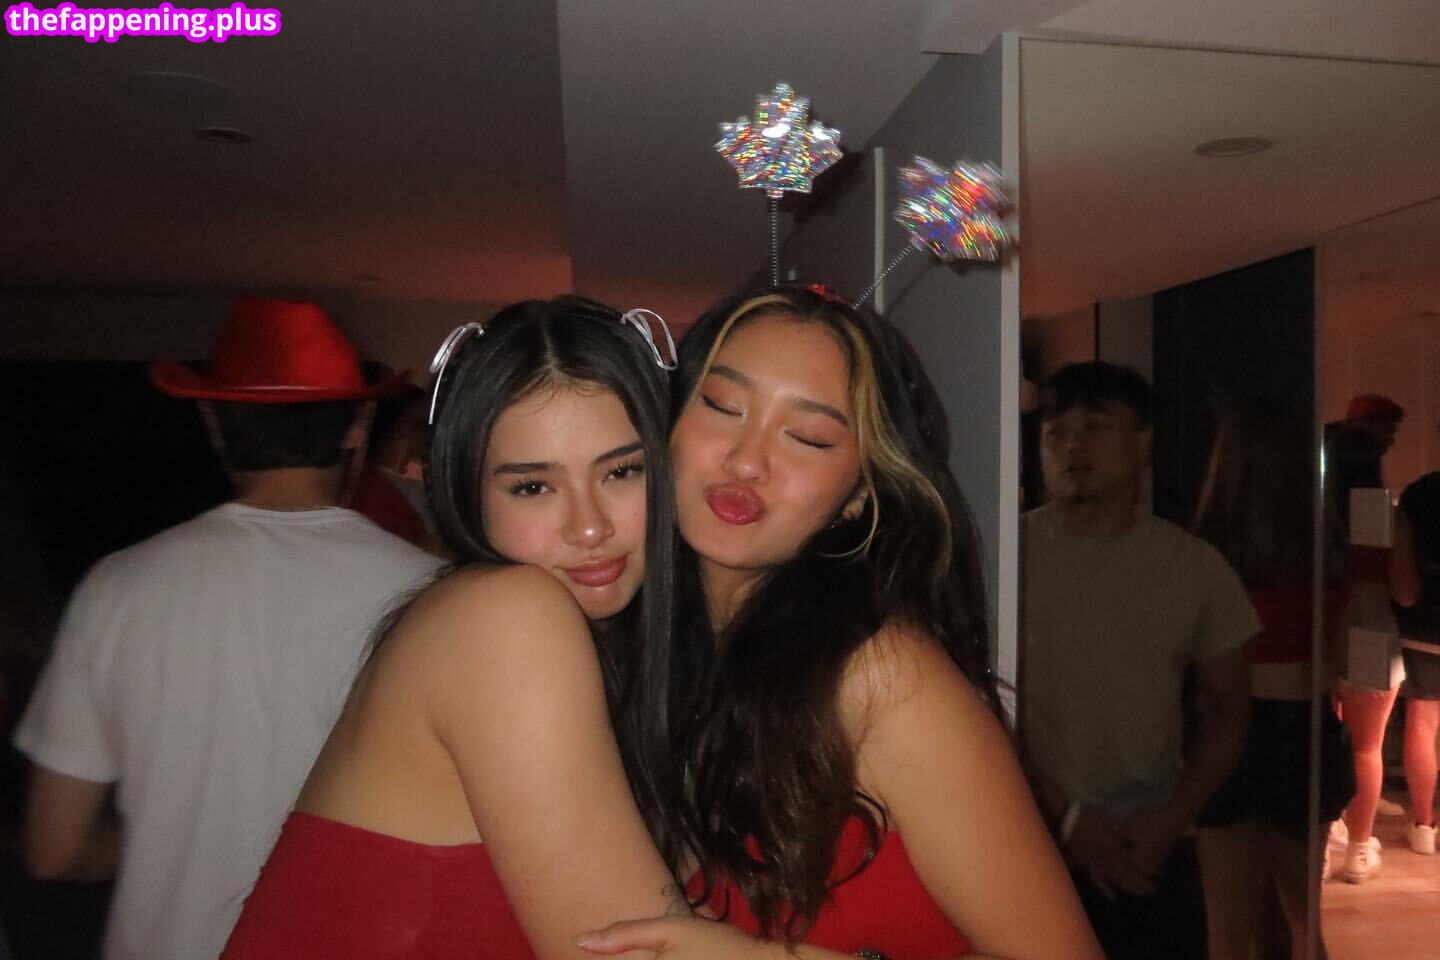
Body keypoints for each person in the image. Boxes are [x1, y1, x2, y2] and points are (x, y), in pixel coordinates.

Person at [580, 287, 1102, 960]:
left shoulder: (880, 675)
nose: (746, 460)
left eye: (809, 437)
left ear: (859, 494)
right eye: (722, 406)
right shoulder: (648, 661)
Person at [221, 296, 688, 959]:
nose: (589, 527)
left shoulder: (594, 652)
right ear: (468, 495)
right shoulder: (503, 620)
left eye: (622, 471)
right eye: (533, 487)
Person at [12, 296, 442, 960]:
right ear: (356, 424)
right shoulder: (431, 594)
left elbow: (53, 850)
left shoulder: (118, 588)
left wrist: (170, 844)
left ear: (213, 420)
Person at [1019, 361, 1256, 960]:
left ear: (1143, 442)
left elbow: (1229, 711)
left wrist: (1173, 817)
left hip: (1150, 842)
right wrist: (1064, 817)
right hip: (1023, 837)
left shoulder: (1191, 567)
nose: (1072, 445)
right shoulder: (1003, 558)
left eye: (1095, 426)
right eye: (1055, 432)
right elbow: (974, 706)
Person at [1190, 397, 1353, 960]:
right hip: (1302, 719)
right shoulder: (1326, 548)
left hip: (1222, 721)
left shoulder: (1206, 550)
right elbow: (1340, 652)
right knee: (1305, 921)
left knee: (1227, 929)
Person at [1325, 423, 1400, 881]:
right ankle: (1358, 849)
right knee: (1367, 746)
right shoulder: (1380, 511)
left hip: (1321, 627)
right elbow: (1406, 589)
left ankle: (1320, 845)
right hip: (1370, 626)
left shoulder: (1317, 511)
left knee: (1322, 738)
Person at [1390, 465, 1440, 856]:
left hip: (1425, 624)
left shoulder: (1421, 493)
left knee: (1423, 721)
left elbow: (1404, 579)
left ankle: (1424, 826)